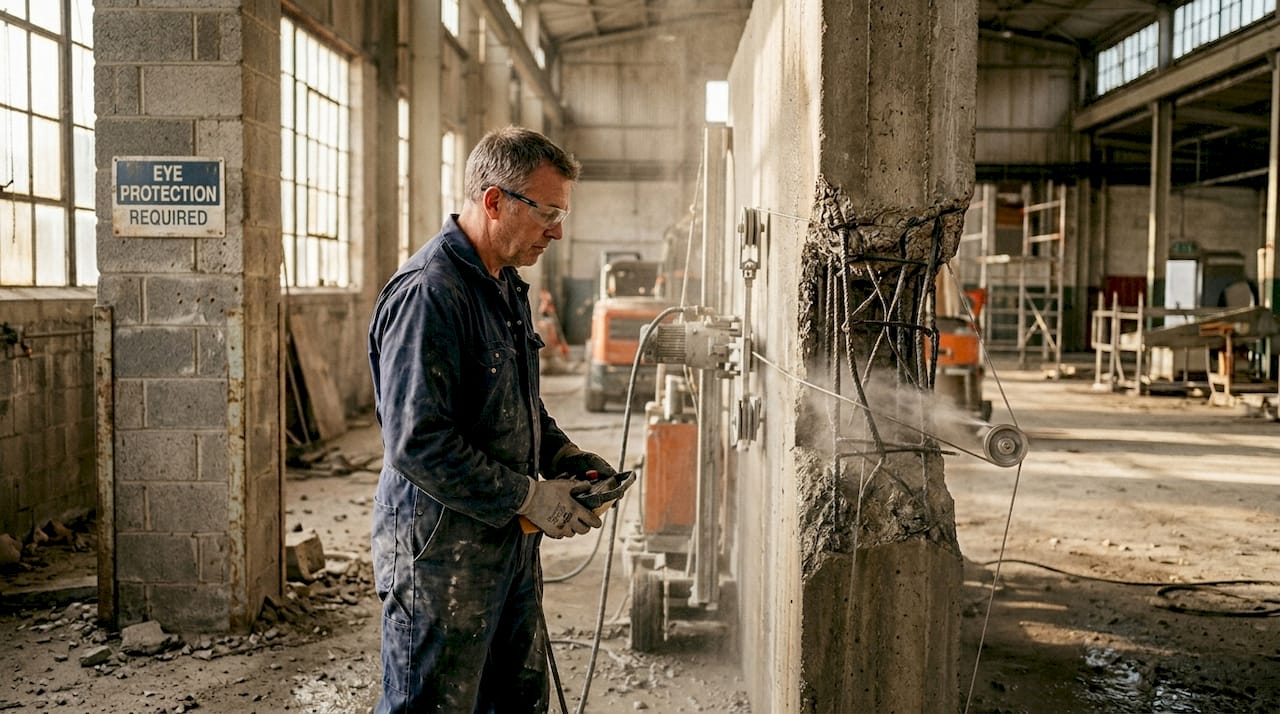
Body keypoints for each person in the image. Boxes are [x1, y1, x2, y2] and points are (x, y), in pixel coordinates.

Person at [368, 126, 616, 713]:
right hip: (440, 553)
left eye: (563, 213)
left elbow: (519, 403)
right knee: (433, 705)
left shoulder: (504, 285)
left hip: (503, 540)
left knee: (514, 699)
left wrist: (564, 459)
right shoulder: (431, 294)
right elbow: (417, 443)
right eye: (548, 212)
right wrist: (529, 497)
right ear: (494, 201)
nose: (557, 230)